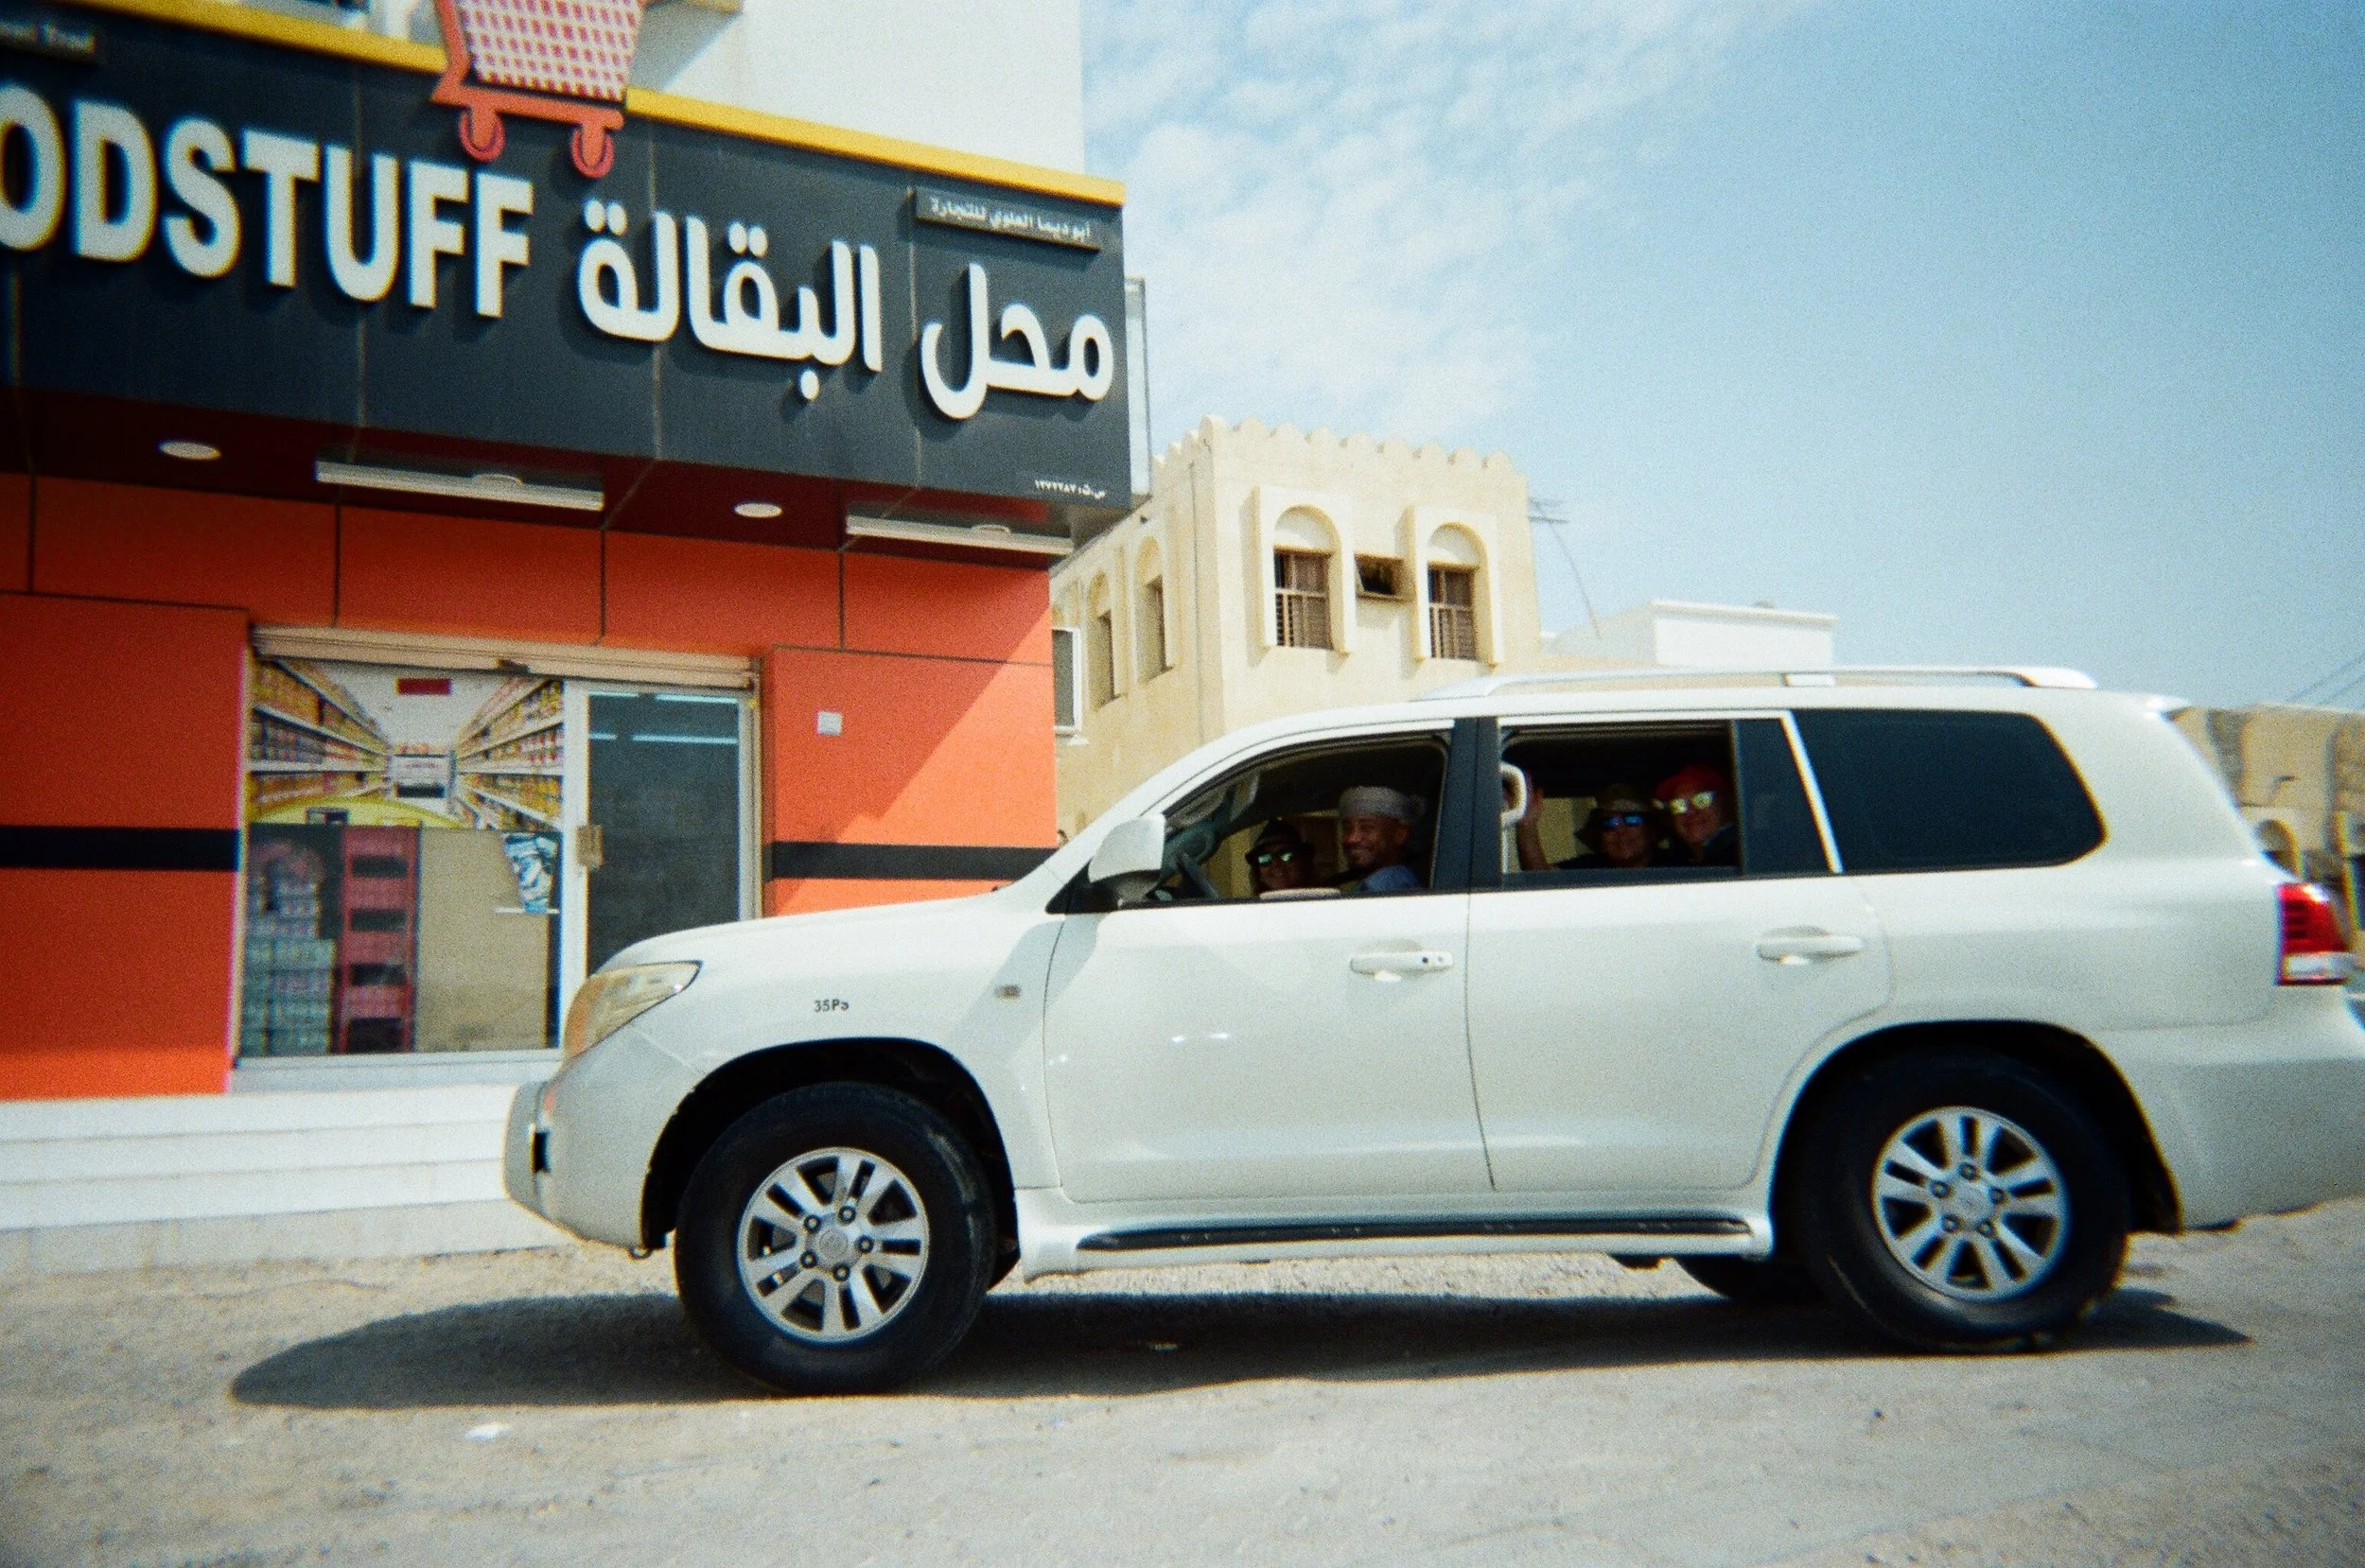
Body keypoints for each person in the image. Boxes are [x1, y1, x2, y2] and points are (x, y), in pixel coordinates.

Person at [1337, 785, 1424, 892]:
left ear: (1400, 835)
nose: (1352, 839)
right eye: (1347, 829)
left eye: (1366, 828)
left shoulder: (1386, 885)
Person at [1656, 763, 1737, 867]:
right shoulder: (1675, 863)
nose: (1689, 812)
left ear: (1725, 804)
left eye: (1701, 800)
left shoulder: (1741, 856)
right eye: (1678, 805)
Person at [1582, 783, 1661, 870]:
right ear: (1601, 841)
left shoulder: (1675, 869)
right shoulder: (1582, 873)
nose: (1620, 830)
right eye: (1609, 823)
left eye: (1631, 819)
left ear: (1651, 831)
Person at [1248, 821, 1315, 896]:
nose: (1276, 863)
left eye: (1286, 855)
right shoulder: (1251, 906)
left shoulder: (1325, 900)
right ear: (1258, 872)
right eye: (1265, 858)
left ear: (1303, 862)